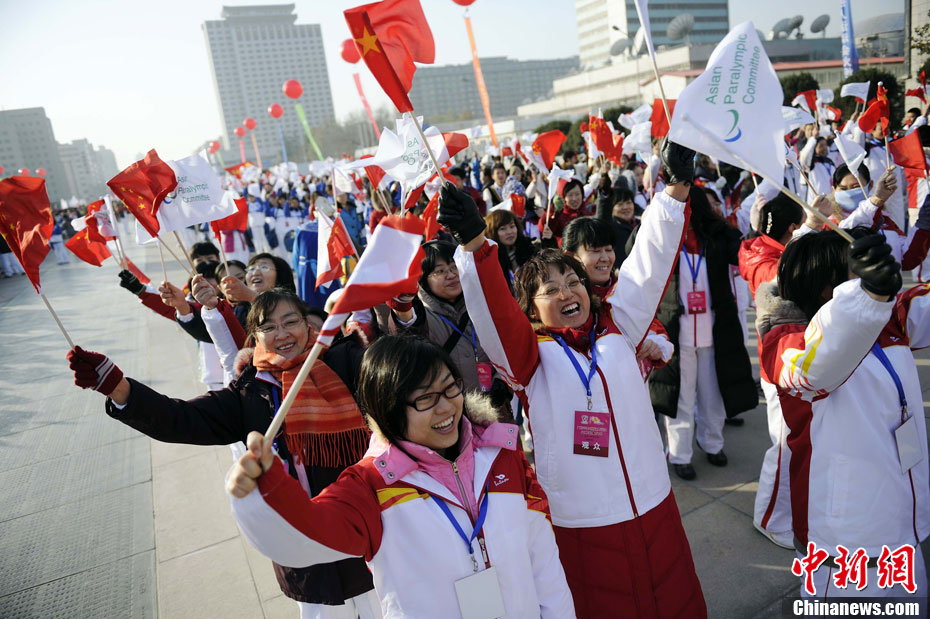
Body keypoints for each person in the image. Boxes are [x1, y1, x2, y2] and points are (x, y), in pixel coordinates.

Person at [437, 140, 706, 617]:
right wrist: (475, 244)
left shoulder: (618, 322)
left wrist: (676, 188)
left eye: (574, 282)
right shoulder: (528, 357)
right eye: (551, 289)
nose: (568, 293)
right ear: (531, 308)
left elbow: (648, 262)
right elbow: (495, 314)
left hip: (653, 499)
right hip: (584, 519)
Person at [65, 288, 379, 617]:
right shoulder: (249, 392)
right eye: (269, 327)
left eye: (290, 322)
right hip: (303, 552)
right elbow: (181, 419)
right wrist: (118, 387)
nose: (282, 334)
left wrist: (399, 312)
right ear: (255, 336)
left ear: (307, 323)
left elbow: (391, 372)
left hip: (364, 532)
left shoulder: (344, 361)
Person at [226, 335, 575, 618]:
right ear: (388, 409)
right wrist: (260, 492)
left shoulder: (503, 455)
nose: (446, 407)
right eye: (425, 399)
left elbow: (543, 561)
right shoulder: (370, 485)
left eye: (450, 387)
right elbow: (303, 539)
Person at [757, 230, 929, 599]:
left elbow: (918, 305)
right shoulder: (785, 340)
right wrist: (869, 296)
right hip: (842, 548)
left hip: (903, 528)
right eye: (857, 270)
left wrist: (877, 296)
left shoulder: (887, 318)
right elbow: (815, 367)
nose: (870, 278)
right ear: (827, 288)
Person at [638, 185, 758, 481]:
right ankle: (680, 454)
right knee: (679, 397)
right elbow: (634, 250)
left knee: (712, 394)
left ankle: (712, 443)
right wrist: (655, 216)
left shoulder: (716, 234)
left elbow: (744, 253)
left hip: (714, 330)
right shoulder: (663, 236)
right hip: (676, 332)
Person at [737, 195, 805, 548]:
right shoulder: (765, 260)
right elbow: (784, 275)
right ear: (792, 228)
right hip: (779, 364)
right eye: (801, 227)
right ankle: (769, 518)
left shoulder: (763, 248)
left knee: (794, 442)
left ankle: (786, 512)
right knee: (784, 444)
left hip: (794, 356)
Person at [483, 209, 539, 286]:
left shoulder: (530, 249)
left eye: (512, 226)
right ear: (492, 232)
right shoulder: (490, 260)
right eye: (503, 229)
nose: (509, 232)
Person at [595, 178, 637, 265]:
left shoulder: (638, 223)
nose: (625, 207)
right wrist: (604, 196)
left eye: (628, 203)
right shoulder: (611, 227)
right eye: (620, 204)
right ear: (611, 208)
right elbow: (602, 219)